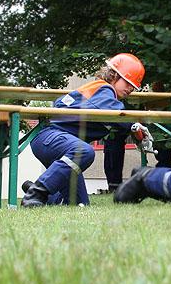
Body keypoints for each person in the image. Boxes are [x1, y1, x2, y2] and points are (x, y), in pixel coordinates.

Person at [22, 53, 148, 207]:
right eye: (128, 82)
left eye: (133, 86)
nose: (131, 89)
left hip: (56, 142)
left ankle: (43, 194)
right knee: (85, 151)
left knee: (79, 204)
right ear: (114, 75)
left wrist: (133, 131)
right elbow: (116, 113)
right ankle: (37, 192)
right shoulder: (105, 90)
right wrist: (134, 126)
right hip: (52, 137)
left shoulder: (100, 93)